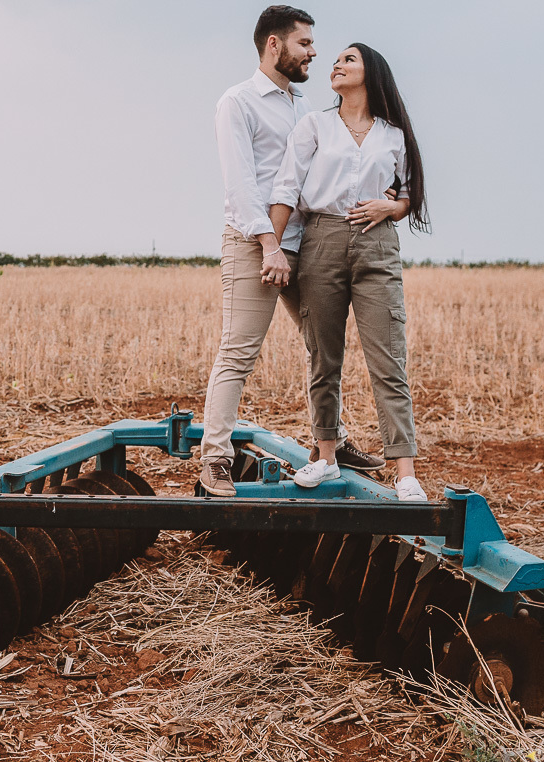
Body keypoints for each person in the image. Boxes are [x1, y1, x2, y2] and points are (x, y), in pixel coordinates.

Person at [199, 6, 385, 498]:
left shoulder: (307, 109)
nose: (314, 52)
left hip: (310, 244)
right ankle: (214, 459)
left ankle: (333, 439)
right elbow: (241, 186)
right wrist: (270, 247)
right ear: (275, 45)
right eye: (305, 43)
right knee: (239, 349)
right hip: (255, 243)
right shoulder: (236, 102)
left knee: (322, 344)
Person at [269, 43, 430, 500]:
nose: (336, 65)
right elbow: (286, 187)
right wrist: (273, 249)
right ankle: (326, 457)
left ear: (371, 72)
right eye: (335, 61)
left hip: (377, 246)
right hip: (322, 239)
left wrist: (391, 205)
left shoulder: (393, 134)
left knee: (388, 359)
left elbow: (411, 193)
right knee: (324, 355)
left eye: (348, 60)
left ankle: (405, 473)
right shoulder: (314, 125)